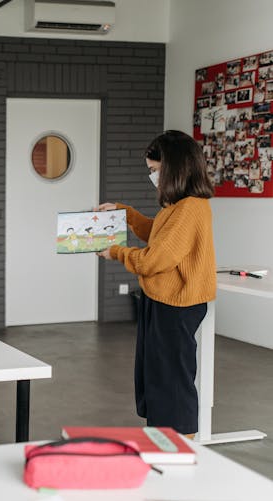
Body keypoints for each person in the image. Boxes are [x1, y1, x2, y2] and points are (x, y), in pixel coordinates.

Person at [96, 130, 216, 437]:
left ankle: (180, 443)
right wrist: (125, 213)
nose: (153, 177)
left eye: (154, 171)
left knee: (172, 379)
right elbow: (157, 234)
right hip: (162, 300)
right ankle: (163, 437)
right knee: (157, 376)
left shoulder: (190, 208)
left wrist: (117, 252)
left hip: (177, 306)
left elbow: (154, 259)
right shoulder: (177, 207)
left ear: (173, 169)